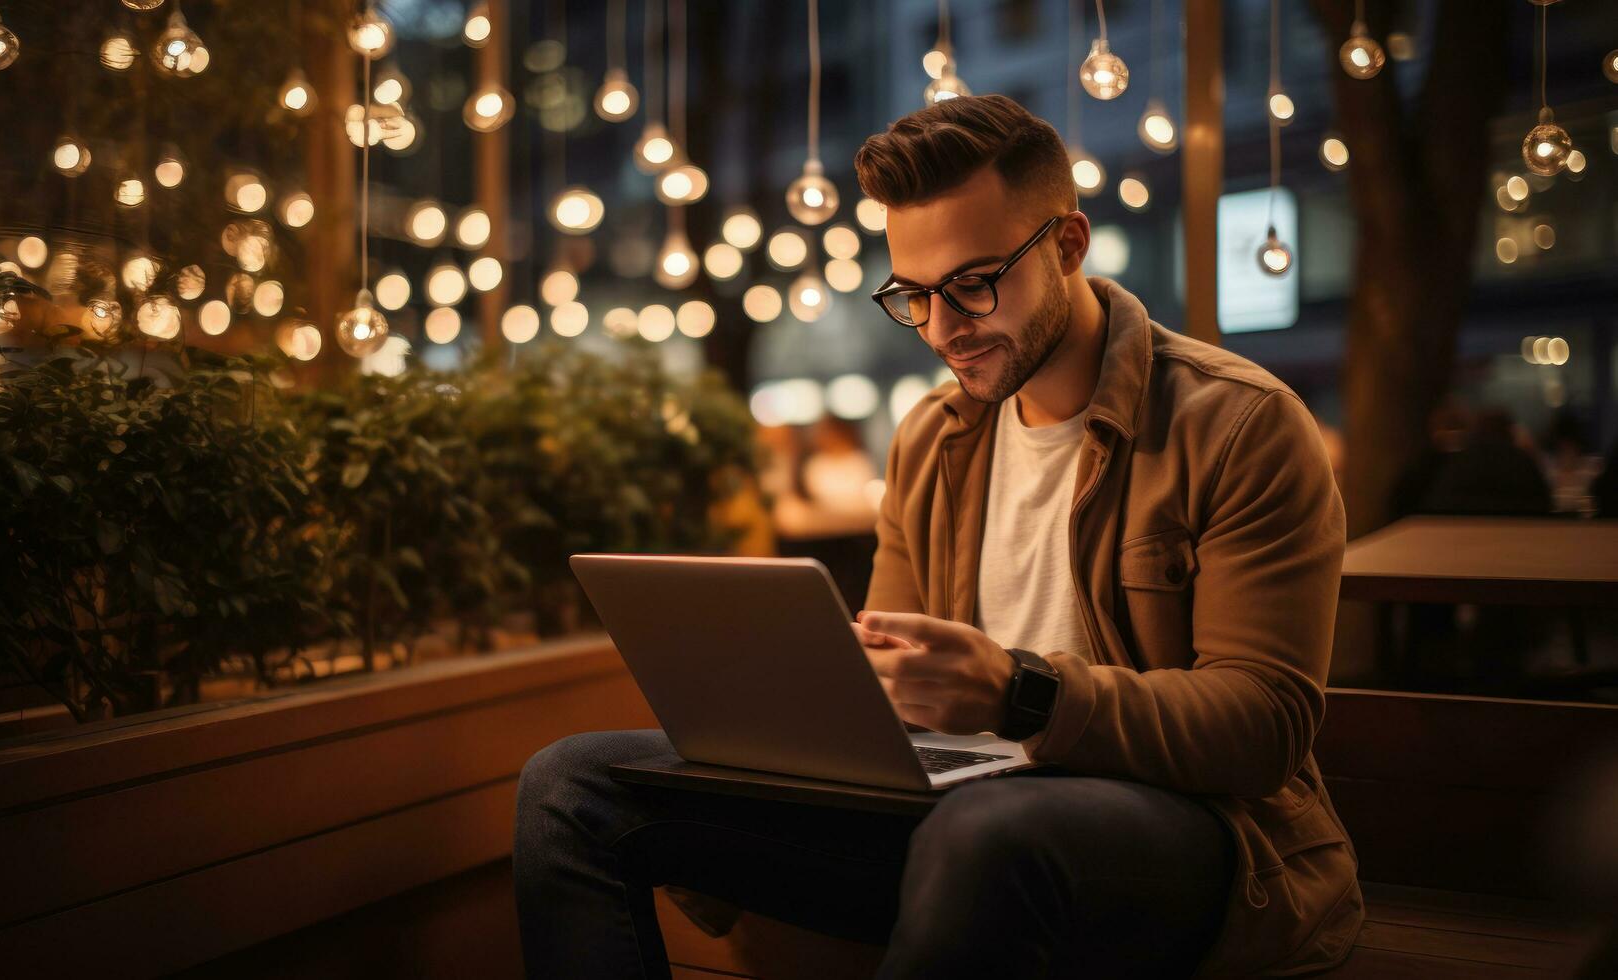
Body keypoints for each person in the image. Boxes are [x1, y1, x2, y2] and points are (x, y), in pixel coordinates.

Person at [514, 95, 1360, 978]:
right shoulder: (932, 436)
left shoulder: (1237, 423)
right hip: (958, 820)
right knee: (568, 785)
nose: (943, 328)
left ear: (1067, 247)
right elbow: (890, 670)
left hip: (1193, 836)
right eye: (912, 296)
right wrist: (807, 705)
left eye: (970, 284)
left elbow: (1265, 725)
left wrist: (1020, 696)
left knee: (984, 830)